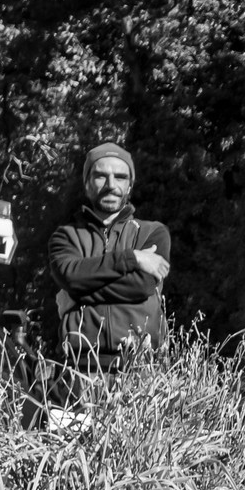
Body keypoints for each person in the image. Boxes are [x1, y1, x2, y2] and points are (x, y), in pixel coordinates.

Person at [48, 142, 170, 372]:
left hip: (141, 369)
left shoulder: (152, 232)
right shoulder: (66, 236)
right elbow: (70, 277)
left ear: (130, 186)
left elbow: (142, 286)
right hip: (78, 368)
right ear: (86, 184)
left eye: (120, 177)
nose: (111, 185)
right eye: (101, 176)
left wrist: (79, 291)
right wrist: (132, 258)